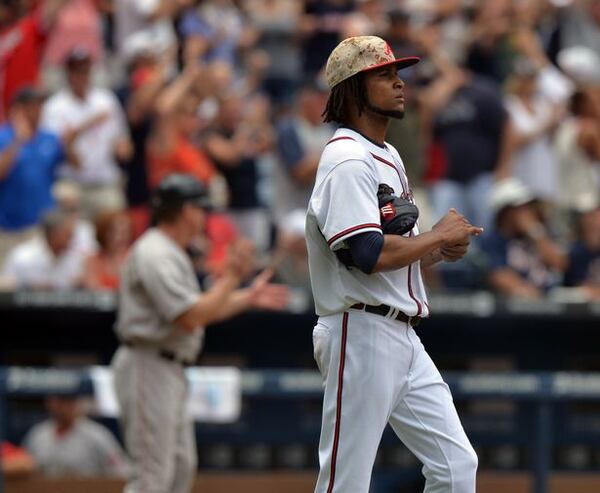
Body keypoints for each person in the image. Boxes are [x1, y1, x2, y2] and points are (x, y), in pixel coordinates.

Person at [305, 36, 482, 493]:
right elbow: (365, 254)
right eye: (384, 75)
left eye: (396, 73)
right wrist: (436, 236)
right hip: (358, 330)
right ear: (353, 88)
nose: (399, 83)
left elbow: (395, 252)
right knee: (344, 482)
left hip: (401, 332)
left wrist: (438, 250)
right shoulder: (345, 157)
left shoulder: (389, 155)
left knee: (456, 466)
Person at [111, 173, 288, 493]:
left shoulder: (172, 251)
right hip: (148, 365)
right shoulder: (155, 252)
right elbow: (191, 316)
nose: (204, 215)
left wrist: (245, 297)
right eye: (199, 207)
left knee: (179, 468)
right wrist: (232, 279)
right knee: (152, 477)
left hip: (168, 367)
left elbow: (202, 310)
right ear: (182, 210)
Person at [41, 47, 133, 216]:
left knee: (116, 215)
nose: (81, 76)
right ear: (68, 73)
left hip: (104, 181)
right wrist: (87, 124)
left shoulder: (106, 100)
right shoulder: (54, 107)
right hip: (71, 183)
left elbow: (124, 143)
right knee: (64, 201)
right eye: (76, 71)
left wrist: (121, 148)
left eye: (85, 70)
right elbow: (54, 150)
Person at [0, 86, 79, 266]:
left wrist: (70, 144)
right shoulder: (3, 136)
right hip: (7, 227)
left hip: (40, 227)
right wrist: (18, 140)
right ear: (17, 109)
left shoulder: (49, 138)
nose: (38, 111)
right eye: (32, 106)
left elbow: (76, 165)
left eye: (39, 106)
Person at [480, 178, 567, 299]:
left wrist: (535, 232)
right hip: (515, 307)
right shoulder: (493, 240)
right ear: (505, 212)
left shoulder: (540, 233)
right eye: (520, 208)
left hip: (550, 300)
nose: (528, 212)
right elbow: (498, 276)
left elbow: (559, 264)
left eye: (527, 207)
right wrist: (531, 295)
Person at [23, 394, 128, 477]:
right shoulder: (37, 435)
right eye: (59, 399)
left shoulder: (97, 435)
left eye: (69, 400)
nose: (64, 405)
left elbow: (120, 473)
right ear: (50, 402)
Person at [1, 208, 87, 291]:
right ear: (53, 234)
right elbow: (5, 287)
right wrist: (28, 287)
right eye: (67, 234)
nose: (71, 238)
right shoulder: (22, 257)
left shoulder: (77, 257)